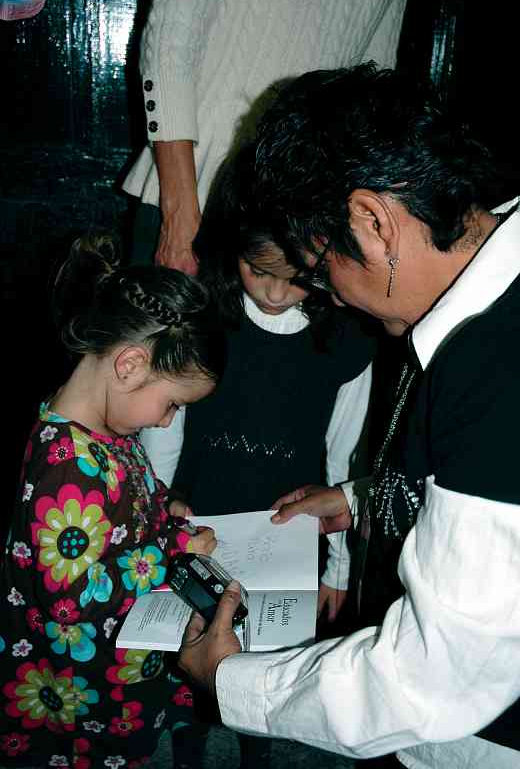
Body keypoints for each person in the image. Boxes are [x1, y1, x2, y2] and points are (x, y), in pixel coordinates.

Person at [176, 64, 520, 769]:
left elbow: (431, 681)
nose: (325, 293)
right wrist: (363, 499)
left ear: (372, 221)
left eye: (318, 266)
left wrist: (230, 681)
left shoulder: (496, 368)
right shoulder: (490, 309)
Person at [139, 147, 378, 767]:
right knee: (189, 656)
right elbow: (167, 426)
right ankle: (188, 744)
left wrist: (340, 568)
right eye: (257, 269)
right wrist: (157, 501)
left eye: (296, 275)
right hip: (201, 520)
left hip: (289, 534)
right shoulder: (207, 316)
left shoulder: (348, 338)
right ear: (232, 250)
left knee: (268, 673)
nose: (274, 292)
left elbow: (345, 453)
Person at [0, 234, 226, 767]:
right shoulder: (66, 467)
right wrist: (172, 552)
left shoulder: (108, 434)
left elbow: (130, 504)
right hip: (83, 697)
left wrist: (165, 510)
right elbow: (72, 598)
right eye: (171, 403)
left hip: (119, 663)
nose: (168, 420)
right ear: (128, 365)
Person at [122, 0, 410, 271]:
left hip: (304, 227)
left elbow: (371, 92)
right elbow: (168, 47)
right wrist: (179, 214)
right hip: (194, 201)